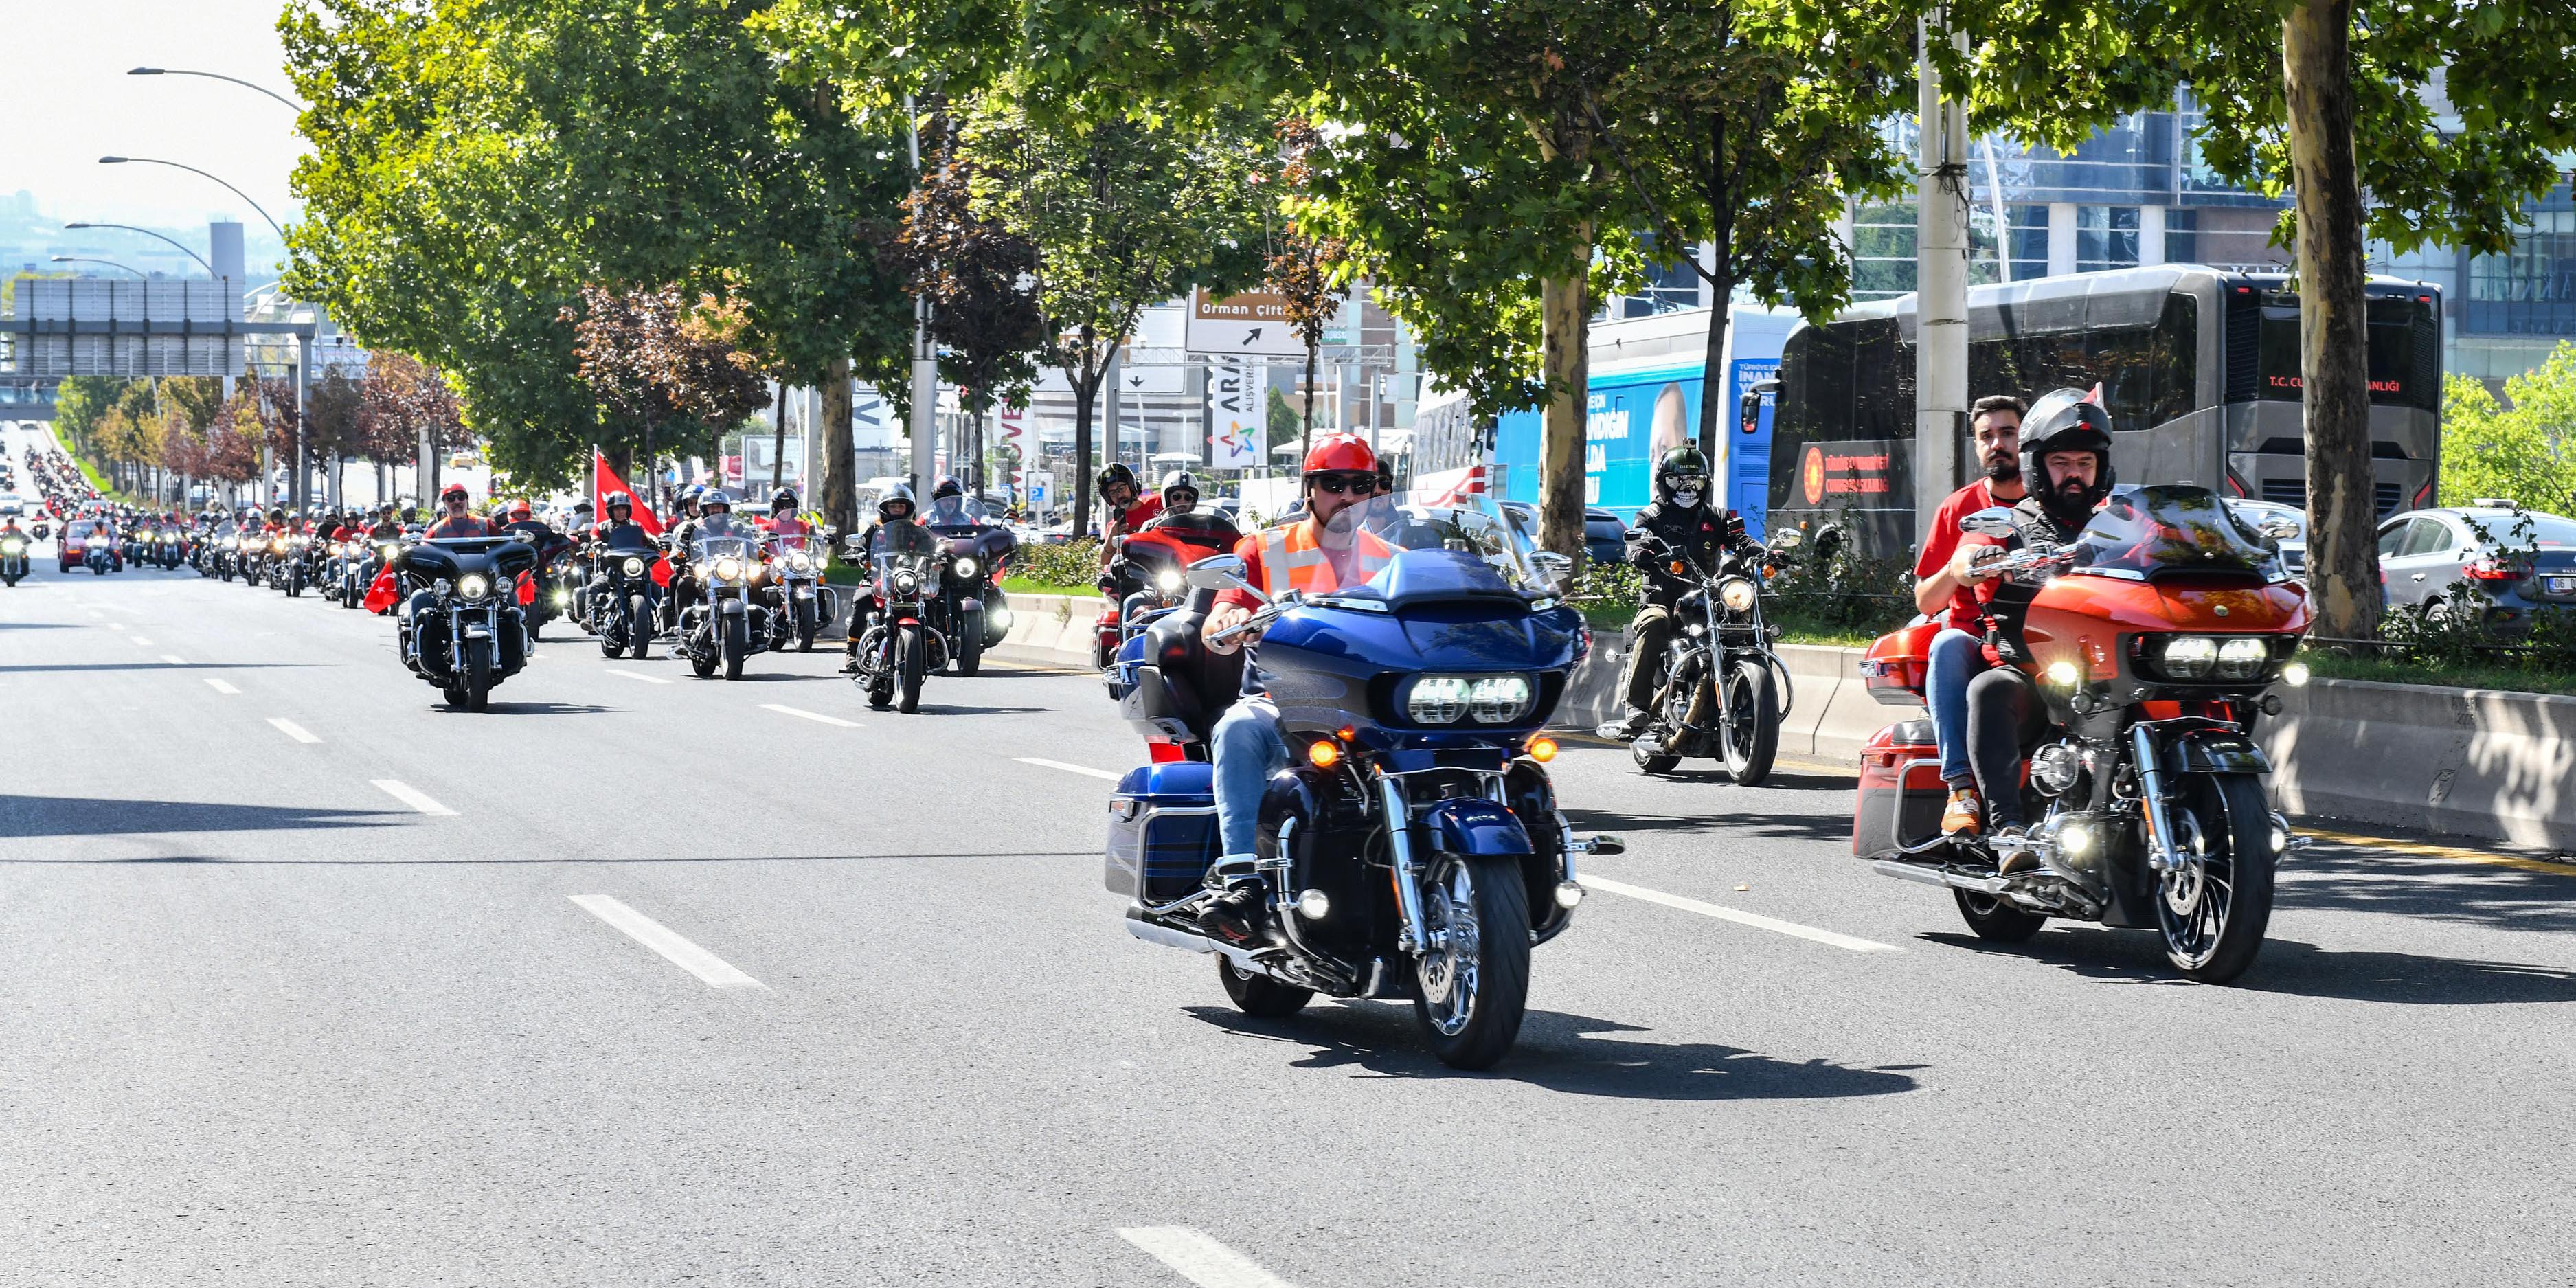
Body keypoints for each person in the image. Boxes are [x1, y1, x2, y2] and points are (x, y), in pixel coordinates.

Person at [1195, 435, 1397, 945]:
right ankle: (1242, 883)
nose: (1348, 496)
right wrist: (1231, 617)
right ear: (1310, 489)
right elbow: (1221, 612)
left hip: (1374, 711)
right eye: (1334, 484)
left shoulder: (1394, 561)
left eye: (1361, 485)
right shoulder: (1264, 548)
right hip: (1283, 702)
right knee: (1237, 727)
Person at [1961, 389, 2115, 870]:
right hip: (2037, 673)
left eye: (2085, 462)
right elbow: (1969, 555)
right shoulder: (2012, 522)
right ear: (2037, 467)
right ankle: (2008, 830)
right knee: (1991, 689)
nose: (2075, 473)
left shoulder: (2119, 523)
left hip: (2112, 674)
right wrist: (1979, 560)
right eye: (2061, 461)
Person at [1912, 394, 2029, 837]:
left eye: (2008, 433)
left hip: (2043, 637)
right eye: (1987, 436)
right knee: (1946, 642)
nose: (1998, 443)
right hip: (1978, 641)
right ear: (1977, 447)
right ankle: (1960, 792)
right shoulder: (1957, 508)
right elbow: (1925, 601)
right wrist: (1959, 569)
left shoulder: (2054, 499)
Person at [1608, 445, 1754, 739]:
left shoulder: (1717, 516)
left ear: (1706, 484)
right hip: (1662, 598)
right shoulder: (1650, 516)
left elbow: (1742, 540)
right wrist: (1639, 553)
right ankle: (1635, 706)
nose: (1687, 488)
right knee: (1654, 622)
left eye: (1695, 482)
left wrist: (1766, 553)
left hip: (1707, 602)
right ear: (1664, 481)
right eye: (1678, 481)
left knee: (1747, 623)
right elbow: (1635, 541)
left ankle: (1757, 699)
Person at [840, 485, 940, 672]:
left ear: (908, 508)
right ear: (885, 508)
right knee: (862, 599)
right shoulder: (874, 529)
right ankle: (852, 653)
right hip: (878, 580)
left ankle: (931, 652)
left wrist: (940, 554)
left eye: (901, 507)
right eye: (893, 507)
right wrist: (856, 553)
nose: (897, 510)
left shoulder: (917, 530)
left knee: (930, 605)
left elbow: (931, 547)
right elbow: (861, 545)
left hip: (908, 580)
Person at [425, 484, 493, 539]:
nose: (457, 502)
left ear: (467, 501)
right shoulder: (436, 530)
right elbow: (423, 547)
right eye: (451, 499)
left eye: (461, 497)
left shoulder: (486, 524)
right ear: (444, 504)